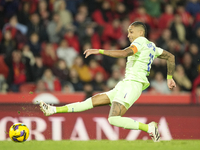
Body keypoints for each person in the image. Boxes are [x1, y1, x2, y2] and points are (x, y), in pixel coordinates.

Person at [40, 21, 176, 142]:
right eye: (128, 32)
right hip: (126, 84)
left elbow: (124, 53)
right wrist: (169, 78)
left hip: (133, 84)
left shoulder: (139, 41)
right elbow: (170, 57)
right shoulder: (152, 47)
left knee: (113, 119)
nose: (128, 35)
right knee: (89, 102)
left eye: (131, 31)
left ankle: (149, 128)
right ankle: (53, 109)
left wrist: (98, 51)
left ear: (141, 32)